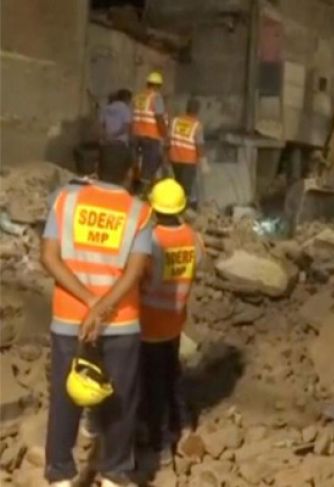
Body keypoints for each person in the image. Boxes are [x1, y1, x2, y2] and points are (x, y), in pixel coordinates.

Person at [41, 144, 153, 487]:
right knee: (119, 397)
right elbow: (134, 273)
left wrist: (89, 301)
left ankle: (60, 473)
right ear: (130, 172)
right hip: (119, 320)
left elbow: (49, 258)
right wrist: (102, 307)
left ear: (94, 168)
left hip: (70, 317)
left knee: (65, 394)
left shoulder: (65, 201)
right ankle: (114, 472)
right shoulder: (140, 212)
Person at [139, 179, 203, 463]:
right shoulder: (193, 237)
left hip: (149, 323)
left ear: (153, 207)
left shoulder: (151, 240)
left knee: (152, 383)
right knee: (172, 374)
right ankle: (184, 425)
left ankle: (160, 441)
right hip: (175, 320)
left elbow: (139, 278)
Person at [168, 98, 208, 209]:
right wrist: (203, 161)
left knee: (178, 183)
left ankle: (176, 206)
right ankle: (183, 209)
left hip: (174, 158)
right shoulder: (197, 125)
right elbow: (199, 145)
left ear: (187, 108)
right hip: (188, 161)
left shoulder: (175, 121)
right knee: (186, 187)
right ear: (197, 110)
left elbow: (168, 138)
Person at [133, 71, 167, 193]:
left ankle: (134, 186)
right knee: (150, 163)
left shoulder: (138, 96)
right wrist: (164, 134)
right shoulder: (156, 97)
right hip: (151, 135)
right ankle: (142, 191)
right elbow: (158, 117)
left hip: (137, 134)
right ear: (158, 85)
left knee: (136, 161)